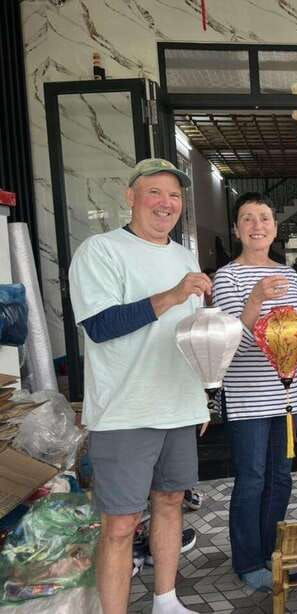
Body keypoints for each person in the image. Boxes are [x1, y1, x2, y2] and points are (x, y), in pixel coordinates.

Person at [68, 158, 209, 614]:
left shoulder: (183, 256)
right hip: (125, 410)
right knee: (121, 523)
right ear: (130, 197)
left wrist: (200, 398)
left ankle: (166, 601)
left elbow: (191, 336)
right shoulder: (100, 250)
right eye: (155, 192)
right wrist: (172, 295)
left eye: (174, 195)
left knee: (170, 503)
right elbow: (101, 325)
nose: (166, 203)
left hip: (178, 405)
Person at [212, 193, 297, 592]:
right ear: (237, 229)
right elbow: (228, 344)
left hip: (286, 396)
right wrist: (255, 300)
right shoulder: (228, 277)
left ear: (275, 226)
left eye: (265, 218)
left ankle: (275, 551)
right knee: (252, 478)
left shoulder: (289, 276)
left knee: (281, 476)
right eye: (247, 219)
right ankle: (248, 559)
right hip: (248, 396)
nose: (257, 225)